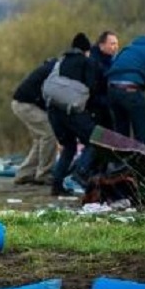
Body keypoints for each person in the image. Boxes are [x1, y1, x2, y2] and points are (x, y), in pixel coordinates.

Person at [47, 33, 98, 196]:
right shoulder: (87, 62)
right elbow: (91, 88)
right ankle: (80, 174)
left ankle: (57, 184)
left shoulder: (61, 62)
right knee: (94, 141)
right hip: (73, 111)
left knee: (69, 147)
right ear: (86, 50)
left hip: (54, 111)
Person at [106, 27, 145, 146]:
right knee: (142, 136)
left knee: (121, 136)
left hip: (112, 90)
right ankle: (143, 163)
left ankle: (121, 163)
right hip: (132, 90)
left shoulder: (129, 48)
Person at [11, 57, 57, 185]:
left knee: (40, 139)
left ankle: (24, 174)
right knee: (49, 134)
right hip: (26, 105)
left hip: (21, 104)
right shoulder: (54, 72)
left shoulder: (49, 69)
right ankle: (44, 174)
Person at [88, 31, 118, 129]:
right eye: (112, 44)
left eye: (117, 44)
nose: (116, 47)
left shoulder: (110, 60)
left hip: (103, 103)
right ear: (101, 45)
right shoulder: (94, 61)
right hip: (95, 105)